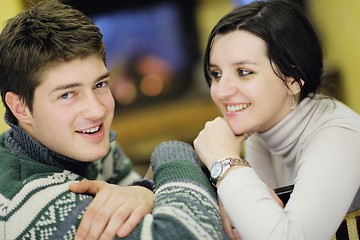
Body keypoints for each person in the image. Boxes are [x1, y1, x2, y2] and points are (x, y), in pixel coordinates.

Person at [0, 1, 226, 239]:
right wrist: (172, 153)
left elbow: (159, 205)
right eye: (67, 95)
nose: (96, 111)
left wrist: (145, 192)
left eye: (100, 84)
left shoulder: (86, 147)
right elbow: (190, 233)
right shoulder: (35, 202)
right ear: (20, 107)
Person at [193, 0, 360, 239]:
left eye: (244, 72)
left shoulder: (339, 136)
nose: (220, 91)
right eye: (216, 74)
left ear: (293, 79)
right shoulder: (260, 136)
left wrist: (225, 165)